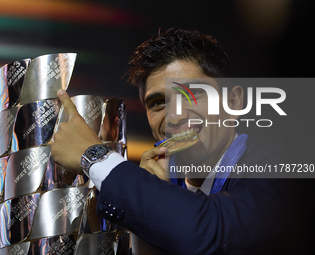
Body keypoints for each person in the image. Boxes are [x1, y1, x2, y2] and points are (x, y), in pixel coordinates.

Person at [51, 28, 313, 254]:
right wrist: (148, 215)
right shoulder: (161, 188)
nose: (175, 115)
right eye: (158, 102)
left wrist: (95, 157)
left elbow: (207, 232)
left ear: (233, 103)